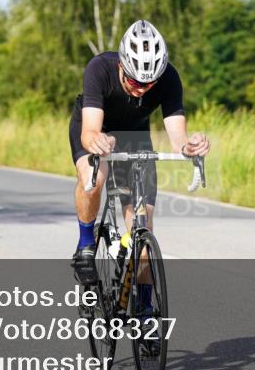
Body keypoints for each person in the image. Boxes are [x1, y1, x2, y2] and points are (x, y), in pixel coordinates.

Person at [69, 20, 210, 288]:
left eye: (149, 83)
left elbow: (177, 135)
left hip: (134, 137)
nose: (141, 89)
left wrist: (188, 147)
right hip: (96, 128)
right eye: (134, 81)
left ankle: (144, 309)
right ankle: (86, 245)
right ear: (121, 65)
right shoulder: (99, 69)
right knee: (95, 177)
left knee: (142, 226)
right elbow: (89, 131)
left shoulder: (169, 78)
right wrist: (96, 140)